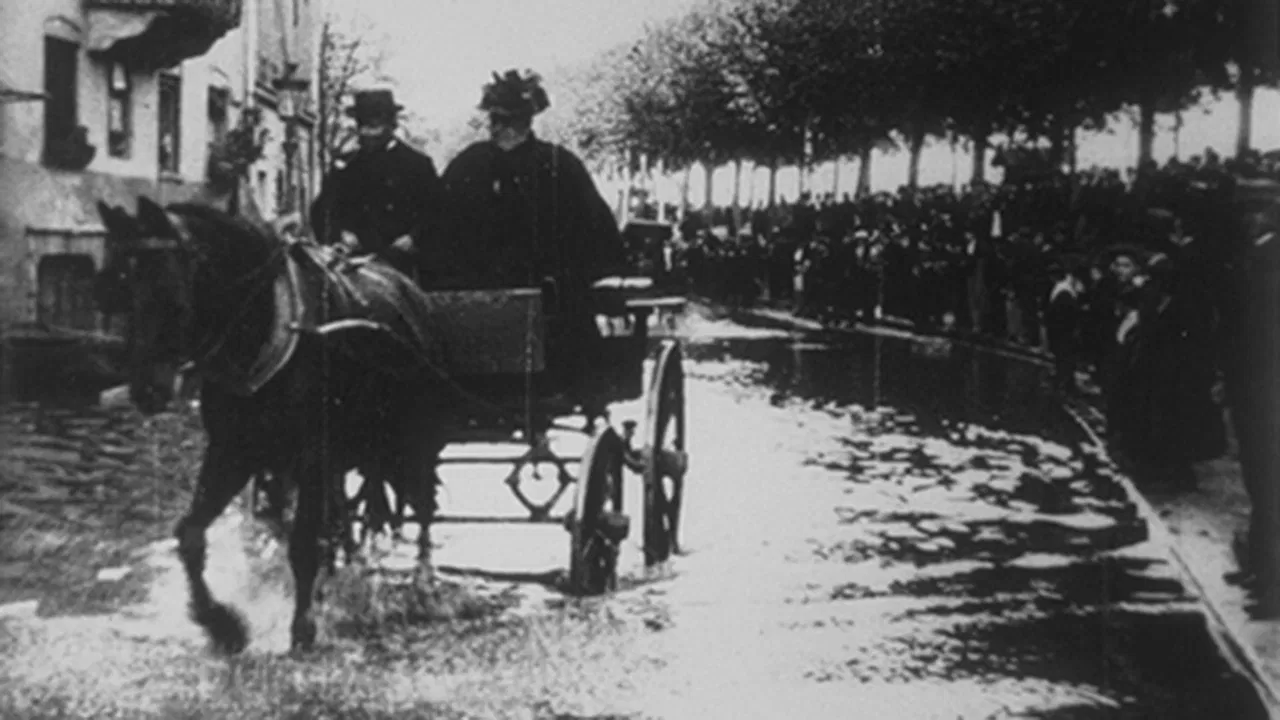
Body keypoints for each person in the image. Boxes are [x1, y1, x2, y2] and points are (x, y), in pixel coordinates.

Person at [439, 70, 624, 391]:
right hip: (476, 292)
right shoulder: (468, 166)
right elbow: (436, 225)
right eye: (498, 119)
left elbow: (595, 227)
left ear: (528, 121)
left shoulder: (559, 165)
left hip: (547, 293)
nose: (502, 128)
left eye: (511, 120)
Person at [309, 89, 444, 278]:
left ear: (391, 125)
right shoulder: (346, 166)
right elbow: (323, 210)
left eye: (375, 125)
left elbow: (436, 212)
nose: (368, 133)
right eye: (363, 125)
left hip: (402, 263)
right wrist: (339, 235)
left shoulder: (417, 165)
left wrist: (414, 238)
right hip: (353, 264)